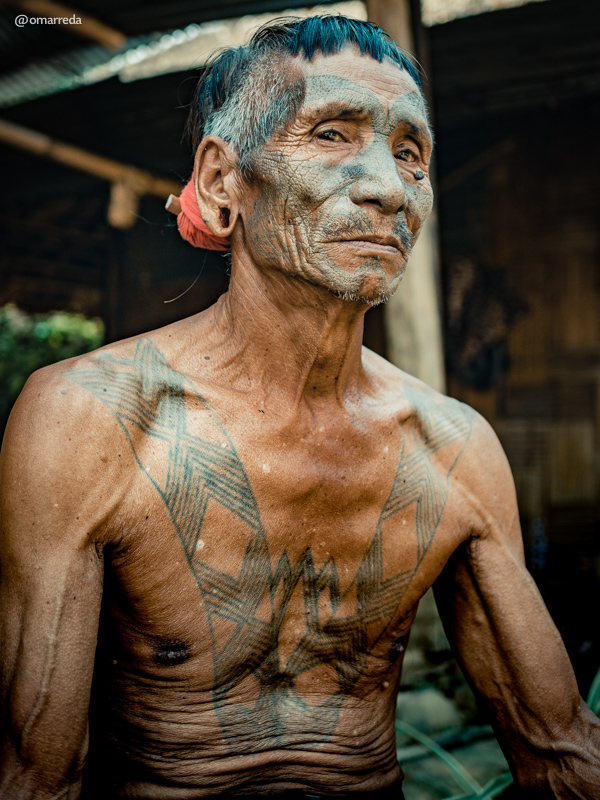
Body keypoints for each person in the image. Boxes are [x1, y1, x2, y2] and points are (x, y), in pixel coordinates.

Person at [0, 15, 599, 800]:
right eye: (332, 133)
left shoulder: (452, 447)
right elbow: (37, 781)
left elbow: (558, 754)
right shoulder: (90, 420)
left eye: (411, 152)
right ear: (223, 183)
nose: (389, 187)